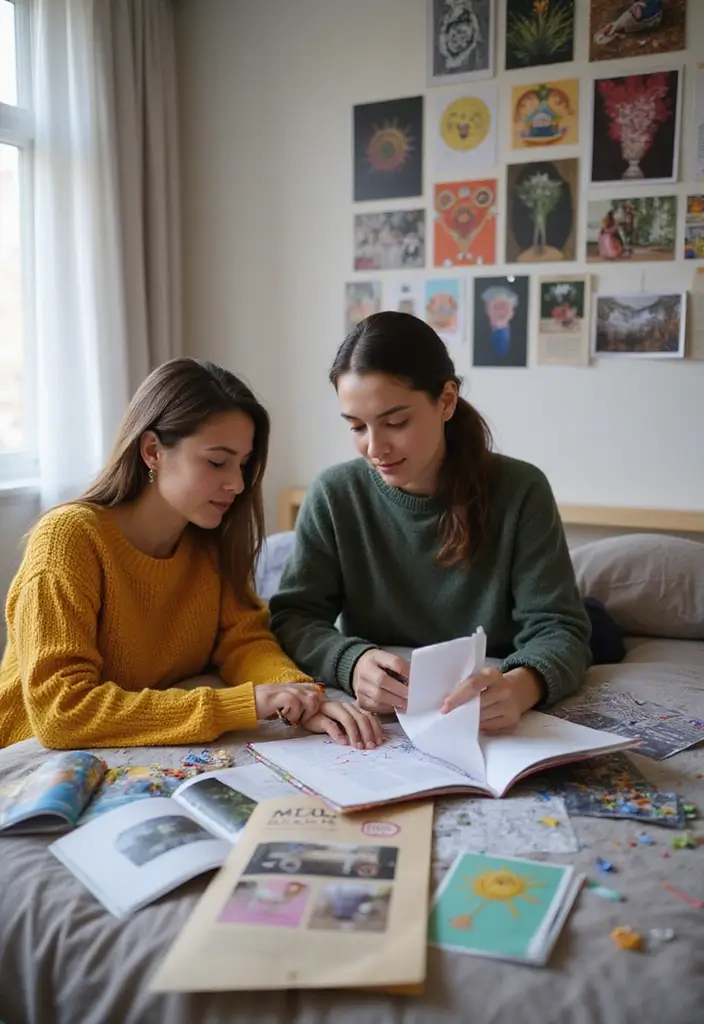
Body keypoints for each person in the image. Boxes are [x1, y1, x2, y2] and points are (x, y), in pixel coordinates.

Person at [0, 358, 383, 751]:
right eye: (217, 461)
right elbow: (61, 712)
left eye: (243, 464)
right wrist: (240, 704)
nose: (236, 484)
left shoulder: (206, 542)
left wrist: (300, 698)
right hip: (34, 769)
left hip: (127, 755)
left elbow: (244, 641)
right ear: (152, 451)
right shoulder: (69, 539)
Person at [270, 312, 591, 731]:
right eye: (356, 426)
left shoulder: (521, 490)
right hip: (391, 704)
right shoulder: (335, 495)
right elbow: (293, 617)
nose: (375, 447)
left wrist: (522, 685)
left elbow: (560, 626)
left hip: (488, 690)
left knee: (598, 623)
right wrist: (352, 662)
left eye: (396, 422)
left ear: (446, 401)